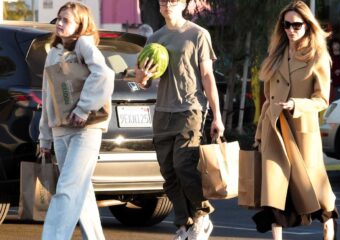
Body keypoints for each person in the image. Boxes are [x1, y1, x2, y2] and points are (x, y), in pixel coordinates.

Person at [133, 0, 224, 239]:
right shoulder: (155, 38)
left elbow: (207, 77)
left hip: (190, 109)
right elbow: (143, 82)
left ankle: (202, 216)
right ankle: (184, 225)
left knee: (184, 166)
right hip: (163, 112)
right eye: (163, 1)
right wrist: (142, 76)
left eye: (173, 1)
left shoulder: (198, 35)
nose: (167, 5)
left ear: (184, 4)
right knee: (169, 172)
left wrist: (217, 116)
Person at [253, 1, 338, 240]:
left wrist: (296, 105)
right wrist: (259, 134)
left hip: (302, 130)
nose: (291, 30)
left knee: (314, 188)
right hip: (275, 130)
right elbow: (268, 100)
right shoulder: (275, 56)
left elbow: (322, 100)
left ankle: (329, 227)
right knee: (274, 189)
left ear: (308, 26)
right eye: (287, 25)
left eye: (297, 25)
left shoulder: (318, 57)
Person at [39, 2, 114, 239]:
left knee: (67, 190)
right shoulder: (52, 52)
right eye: (59, 18)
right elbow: (46, 94)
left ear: (80, 25)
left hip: (86, 129)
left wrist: (83, 109)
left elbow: (104, 74)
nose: (60, 23)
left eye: (66, 20)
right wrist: (45, 136)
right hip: (60, 131)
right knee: (81, 190)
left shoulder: (84, 44)